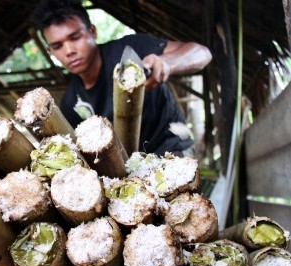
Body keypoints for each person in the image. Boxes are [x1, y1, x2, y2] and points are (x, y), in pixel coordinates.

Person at [31, 0, 212, 156]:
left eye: (75, 37)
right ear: (51, 51)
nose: (69, 51)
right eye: (58, 46)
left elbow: (202, 53)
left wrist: (166, 63)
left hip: (172, 151)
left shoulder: (132, 49)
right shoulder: (70, 103)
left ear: (92, 32)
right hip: (126, 172)